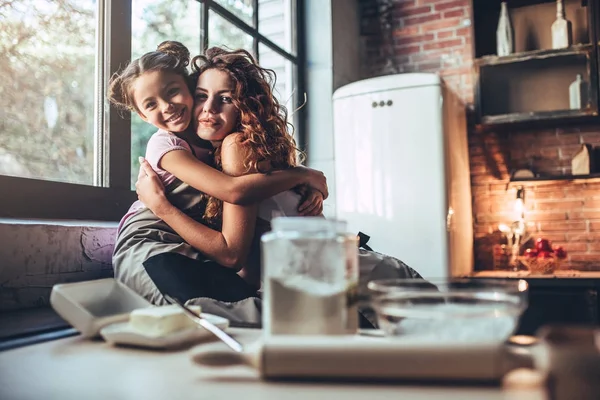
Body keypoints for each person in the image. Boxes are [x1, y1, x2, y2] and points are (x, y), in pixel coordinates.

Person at [135, 46, 428, 327]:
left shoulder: (236, 146)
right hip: (347, 270)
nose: (208, 109)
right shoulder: (224, 149)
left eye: (225, 99)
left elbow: (234, 248)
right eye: (202, 96)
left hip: (348, 277)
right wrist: (304, 175)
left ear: (245, 106)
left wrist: (161, 206)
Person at [108, 42, 327, 305]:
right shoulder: (165, 145)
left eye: (173, 92)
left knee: (241, 307)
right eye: (151, 104)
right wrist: (303, 175)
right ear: (143, 115)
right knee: (195, 312)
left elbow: (248, 199)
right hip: (149, 237)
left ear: (188, 88)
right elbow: (233, 191)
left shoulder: (214, 137)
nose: (166, 106)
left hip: (189, 240)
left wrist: (306, 180)